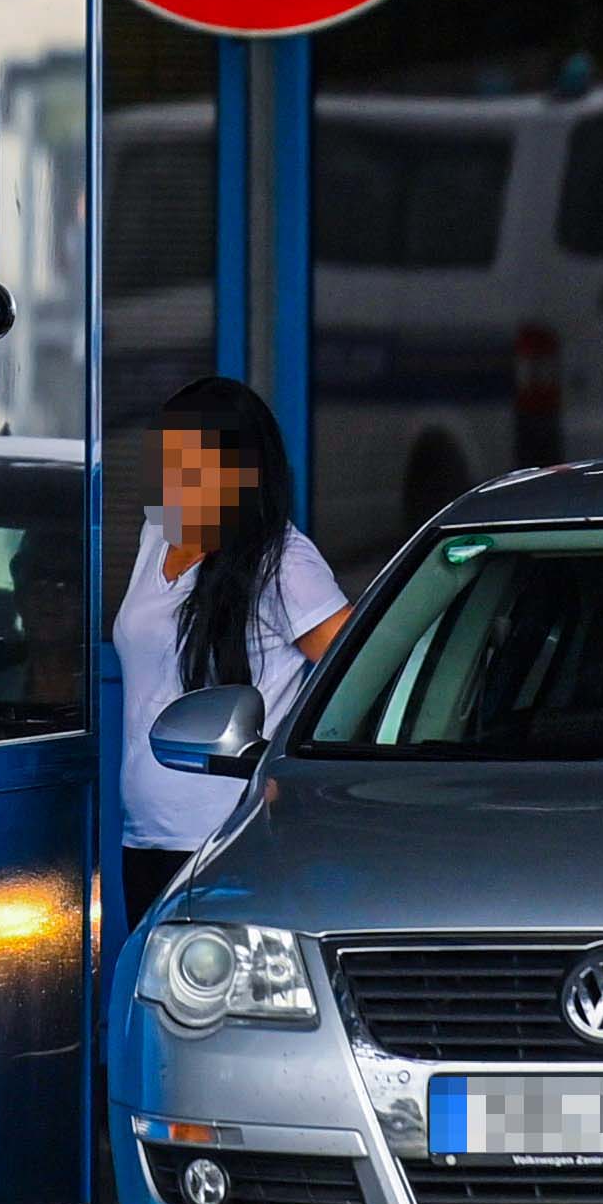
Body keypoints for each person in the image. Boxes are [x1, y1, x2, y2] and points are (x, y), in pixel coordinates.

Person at [114, 376, 349, 922]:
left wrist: (298, 772)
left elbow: (364, 672)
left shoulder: (283, 561)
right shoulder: (157, 538)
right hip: (146, 836)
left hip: (229, 840)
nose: (170, 477)